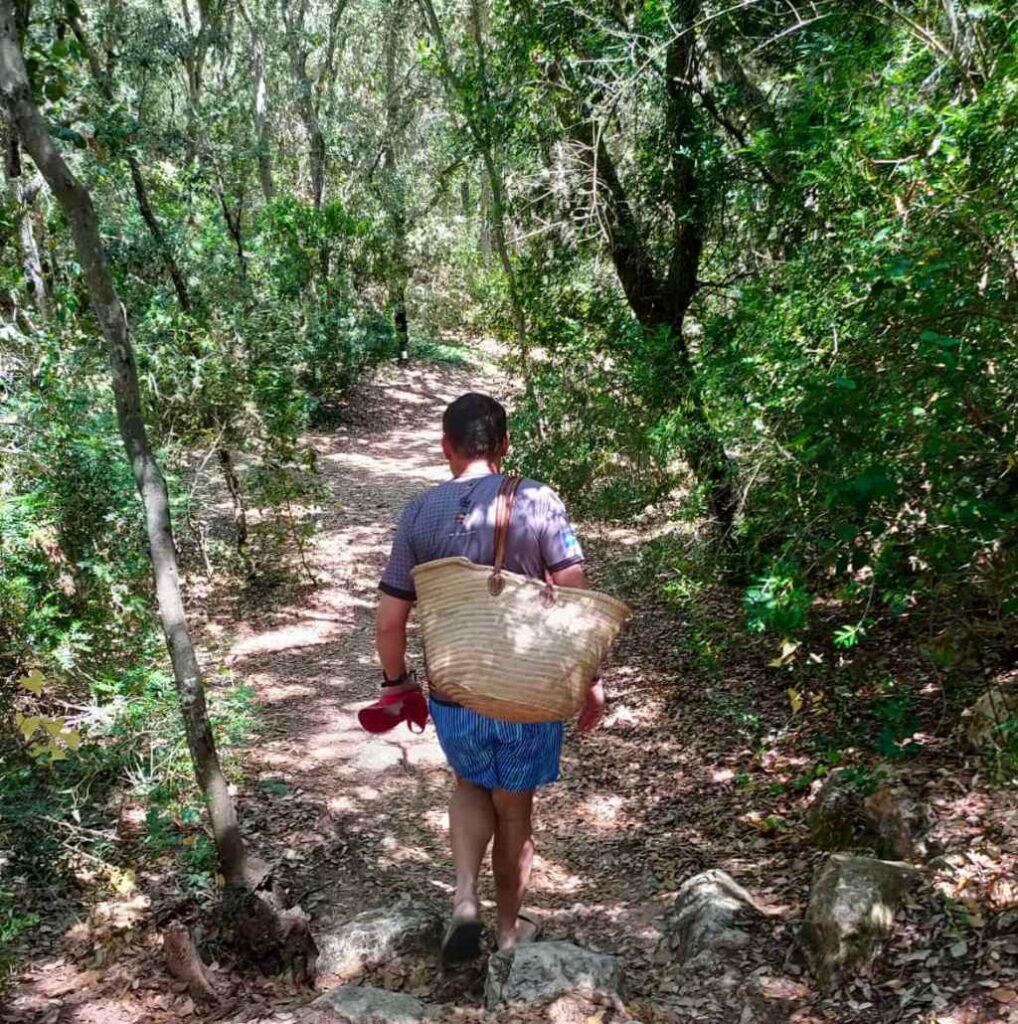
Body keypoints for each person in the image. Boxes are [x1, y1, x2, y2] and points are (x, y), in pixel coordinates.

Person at [374, 392, 605, 961]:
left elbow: (389, 620)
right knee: (514, 807)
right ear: (504, 446)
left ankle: (463, 902)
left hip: (455, 686)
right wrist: (589, 679)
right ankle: (507, 933)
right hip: (526, 686)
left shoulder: (419, 512)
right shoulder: (537, 501)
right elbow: (576, 598)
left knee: (470, 785)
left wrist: (396, 682)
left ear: (445, 446)